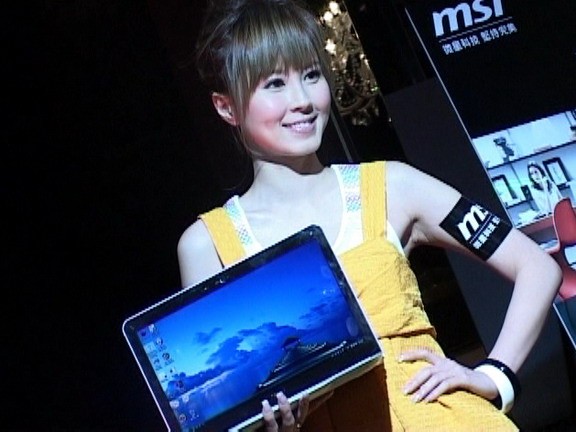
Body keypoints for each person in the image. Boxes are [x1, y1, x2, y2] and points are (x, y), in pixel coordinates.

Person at [177, 0, 562, 430]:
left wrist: (494, 376)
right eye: (275, 84)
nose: (302, 100)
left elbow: (536, 265)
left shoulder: (392, 185)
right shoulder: (207, 244)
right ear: (226, 107)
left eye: (311, 75)